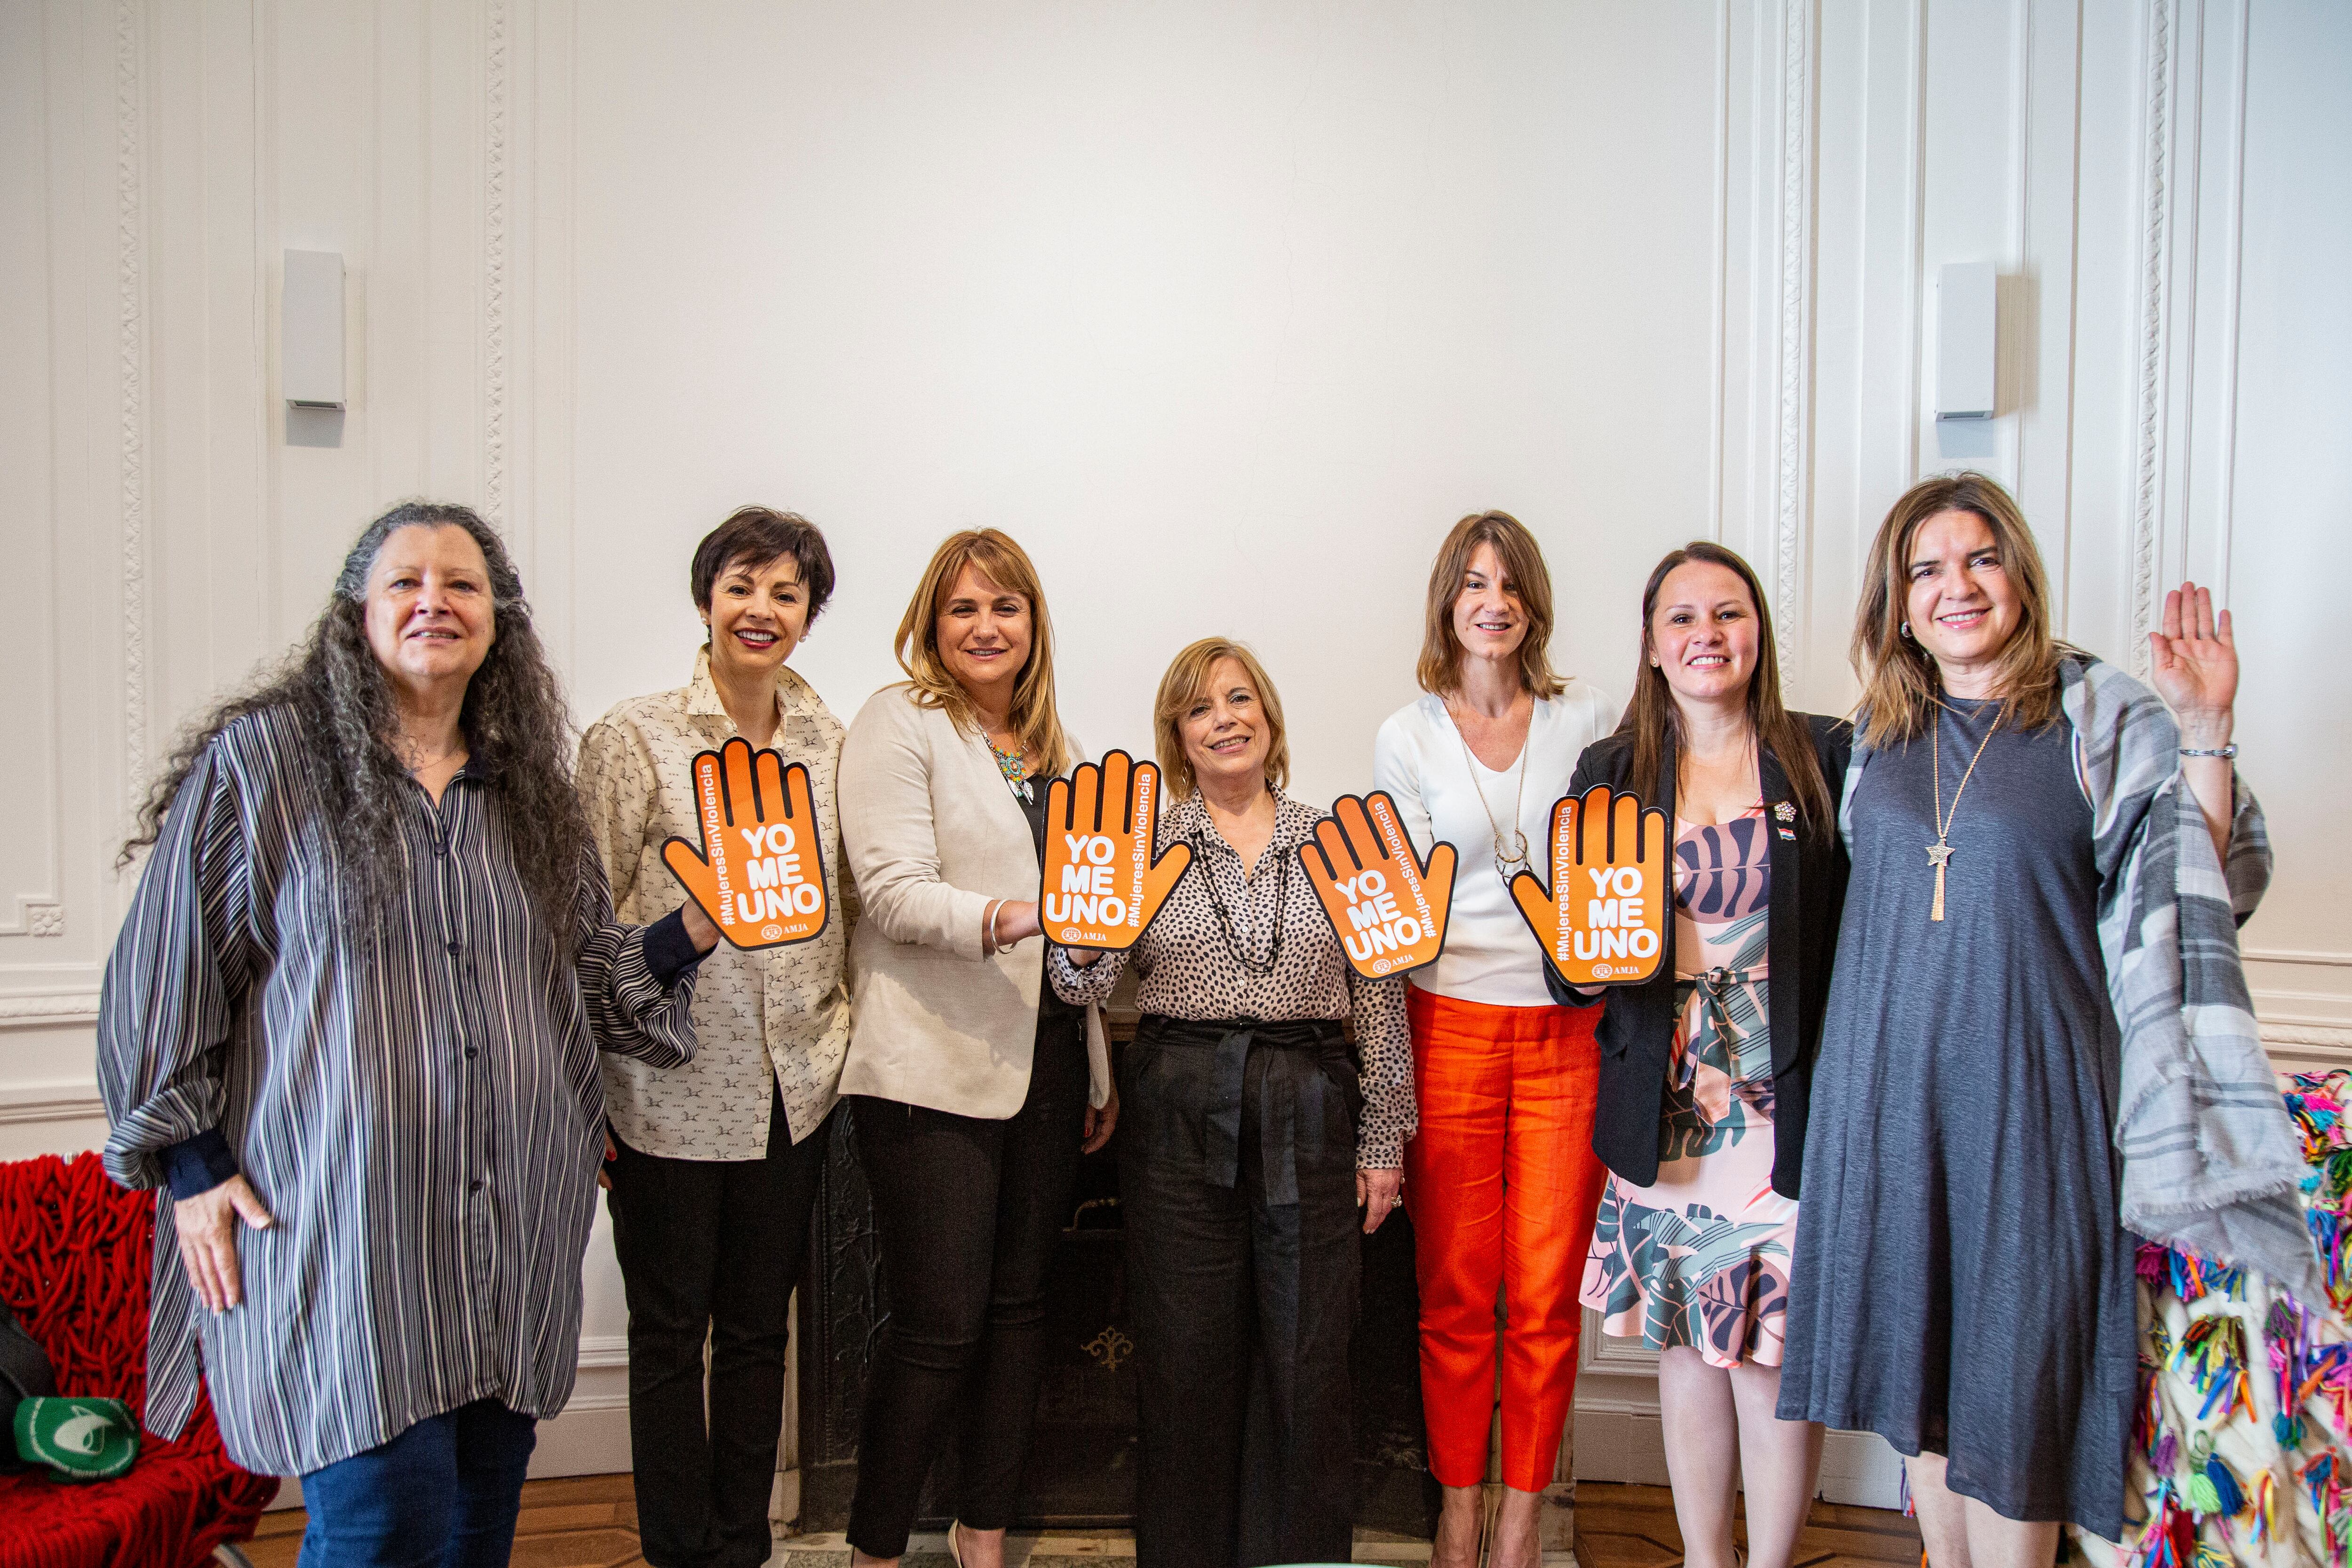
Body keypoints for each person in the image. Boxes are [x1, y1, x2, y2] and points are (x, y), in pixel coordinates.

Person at [95, 502, 717, 1567]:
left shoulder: (532, 793)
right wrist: (191, 1165)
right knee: (382, 1532)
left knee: (476, 1529)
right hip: (348, 1244)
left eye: (463, 583)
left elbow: (590, 987)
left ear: (499, 620)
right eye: (406, 582)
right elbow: (165, 972)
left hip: (509, 1237)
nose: (436, 600)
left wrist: (698, 925)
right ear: (357, 613)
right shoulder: (267, 767)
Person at [1777, 473, 2311, 1566]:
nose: (1955, 586)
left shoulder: (2095, 713)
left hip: (2034, 1103)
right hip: (1884, 1097)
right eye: (1926, 569)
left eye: (1980, 559)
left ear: (2019, 572)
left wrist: (2206, 727)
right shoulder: (1879, 730)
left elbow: (2194, 890)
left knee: (2013, 1387)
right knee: (1911, 1374)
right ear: (1897, 598)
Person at [1050, 637, 1414, 1568]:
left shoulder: (1340, 834)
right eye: (1202, 705)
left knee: (1309, 1358)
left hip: (1313, 1102)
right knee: (1182, 1356)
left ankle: (1296, 1558)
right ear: (1178, 733)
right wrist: (1082, 941)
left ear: (1269, 716)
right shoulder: (1139, 841)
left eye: (1241, 697)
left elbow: (1377, 992)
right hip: (1176, 1100)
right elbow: (1075, 980)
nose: (1226, 717)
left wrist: (1384, 1139)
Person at [1545, 542, 1850, 1568]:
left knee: (1766, 1349)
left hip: (1786, 1099)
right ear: (1651, 642)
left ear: (1757, 631)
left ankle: (1766, 1562)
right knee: (1686, 1339)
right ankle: (1703, 1561)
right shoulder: (1609, 770)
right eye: (1682, 617)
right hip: (1667, 1098)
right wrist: (1577, 959)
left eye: (1727, 613)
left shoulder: (1824, 754)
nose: (1706, 634)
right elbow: (1575, 969)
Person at [577, 507, 855, 1568]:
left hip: (799, 1089)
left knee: (756, 1335)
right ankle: (674, 1551)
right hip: (666, 1094)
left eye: (788, 593)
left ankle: (743, 1547)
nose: (762, 609)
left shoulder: (834, 745)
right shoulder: (633, 737)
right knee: (667, 1336)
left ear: (809, 616)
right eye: (744, 584)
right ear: (707, 598)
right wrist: (691, 927)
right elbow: (584, 933)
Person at [834, 529, 1116, 1568]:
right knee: (938, 1325)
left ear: (1033, 623)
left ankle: (982, 1529)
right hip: (928, 1070)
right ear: (931, 624)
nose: (985, 627)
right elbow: (893, 891)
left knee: (1020, 1310)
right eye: (963, 608)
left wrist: (1096, 1062)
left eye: (1005, 607)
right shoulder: (900, 721)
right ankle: (874, 1547)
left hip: (1047, 1059)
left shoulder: (1068, 751)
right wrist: (1024, 911)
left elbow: (1091, 926)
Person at [1369, 511, 1615, 1568]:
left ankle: (1525, 1505)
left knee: (1545, 1287)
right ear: (1447, 603)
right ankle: (1459, 1497)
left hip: (1569, 1025)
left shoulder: (1589, 718)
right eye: (1473, 583)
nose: (1493, 601)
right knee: (1457, 1287)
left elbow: (1621, 876)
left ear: (1534, 604)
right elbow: (1386, 894)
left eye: (1510, 584)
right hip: (1447, 1021)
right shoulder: (1405, 734)